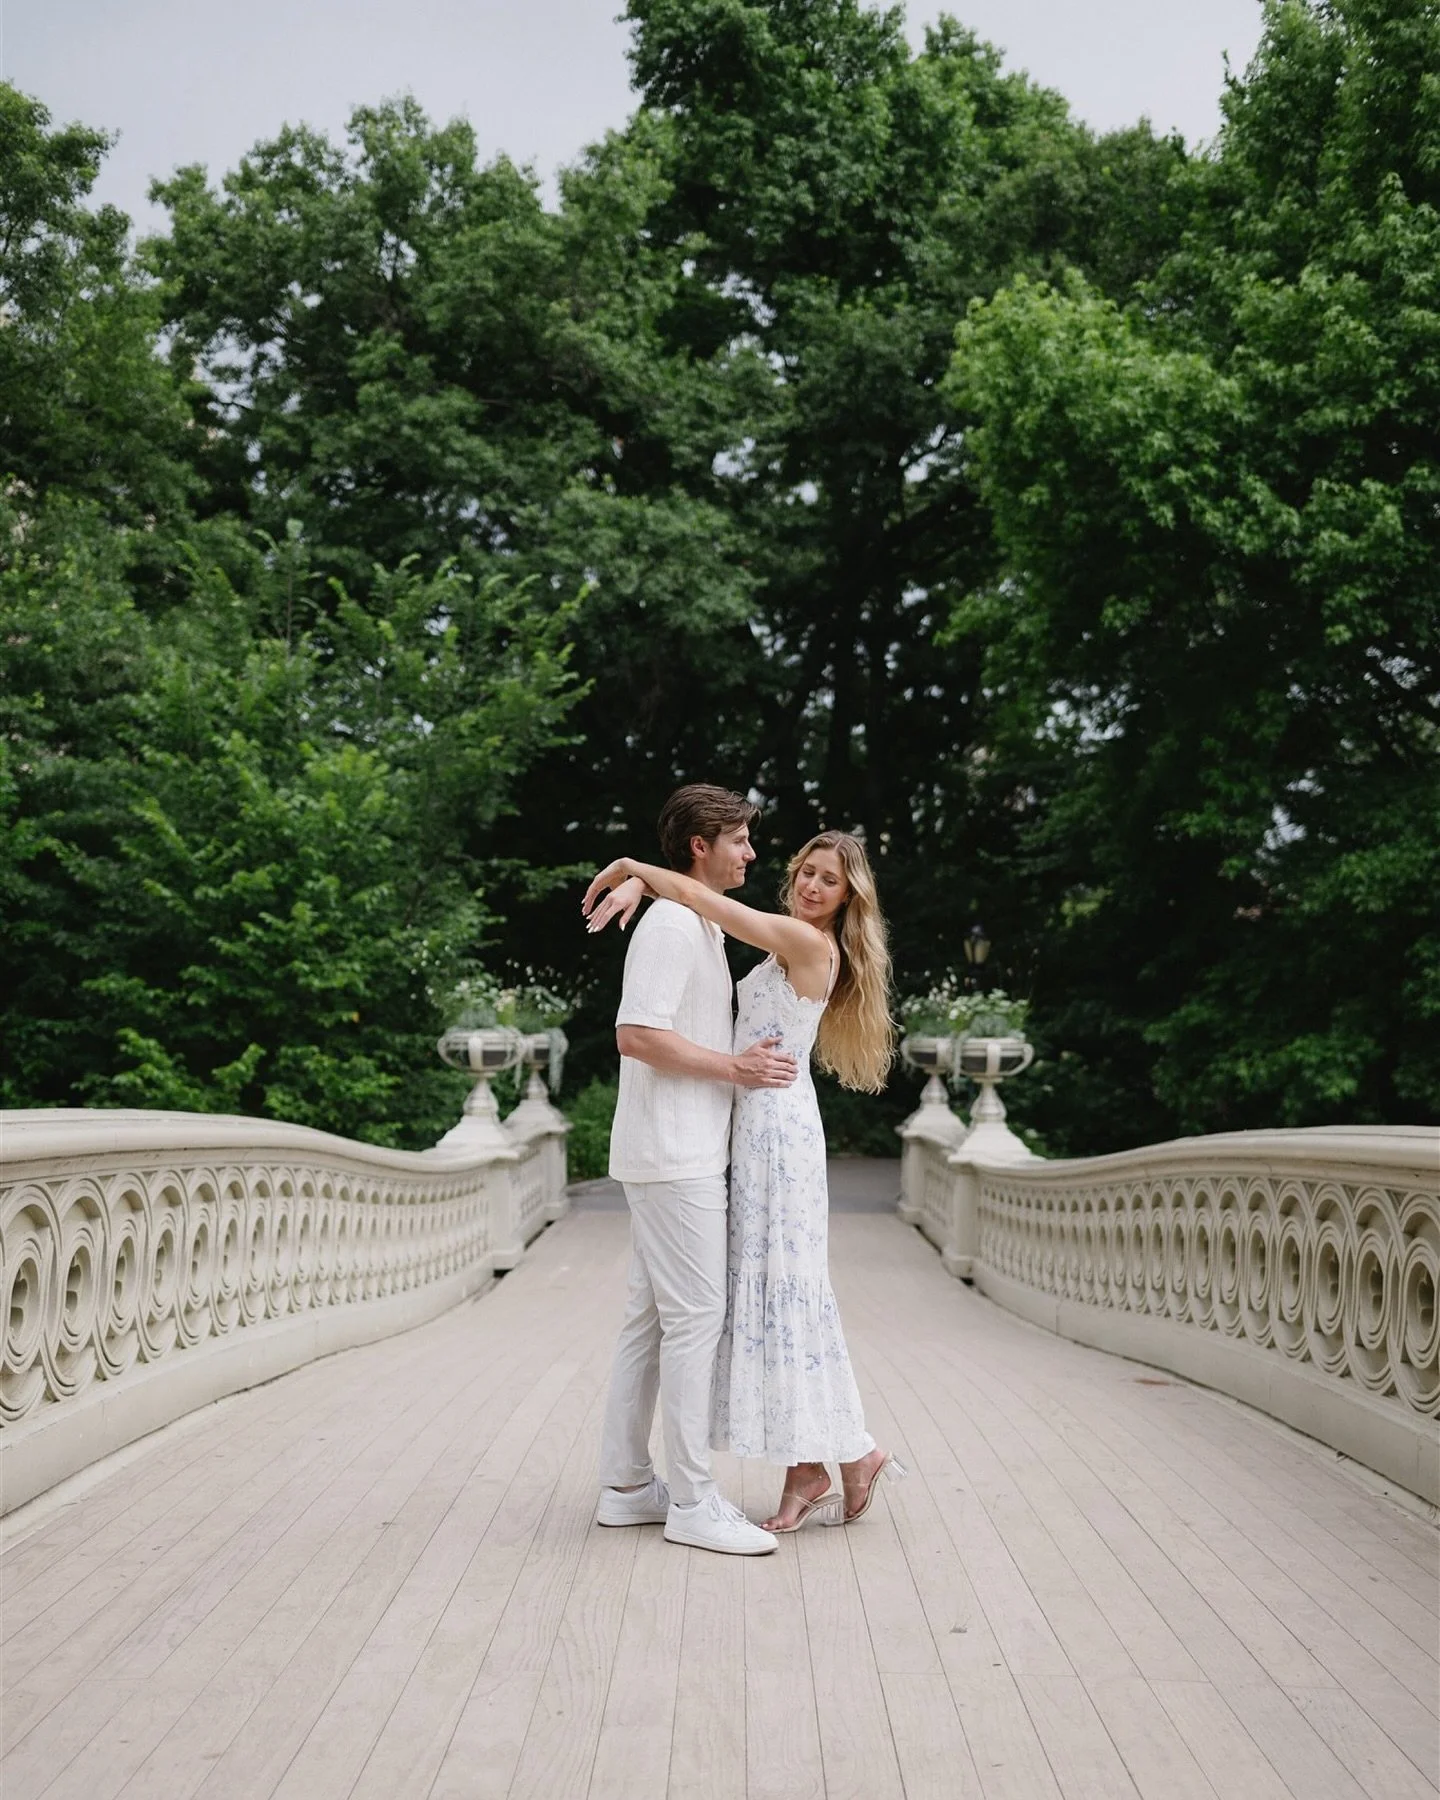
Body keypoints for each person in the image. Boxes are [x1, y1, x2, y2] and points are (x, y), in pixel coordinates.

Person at [584, 827, 906, 1533]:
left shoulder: (804, 942)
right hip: (752, 1123)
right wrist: (648, 884)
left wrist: (635, 867)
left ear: (848, 896)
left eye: (829, 880)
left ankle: (837, 1456)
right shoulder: (785, 941)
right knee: (775, 1292)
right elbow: (702, 903)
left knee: (786, 1291)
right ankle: (829, 1460)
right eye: (808, 871)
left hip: (777, 1131)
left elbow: (709, 903)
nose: (812, 885)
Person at [592, 784, 799, 1556]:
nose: (751, 852)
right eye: (738, 839)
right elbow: (636, 1035)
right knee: (693, 1323)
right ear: (698, 846)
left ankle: (625, 1488)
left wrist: (639, 880)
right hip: (675, 1156)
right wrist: (736, 1069)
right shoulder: (676, 927)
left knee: (650, 1323)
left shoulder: (695, 920)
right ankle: (692, 1501)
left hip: (675, 1151)